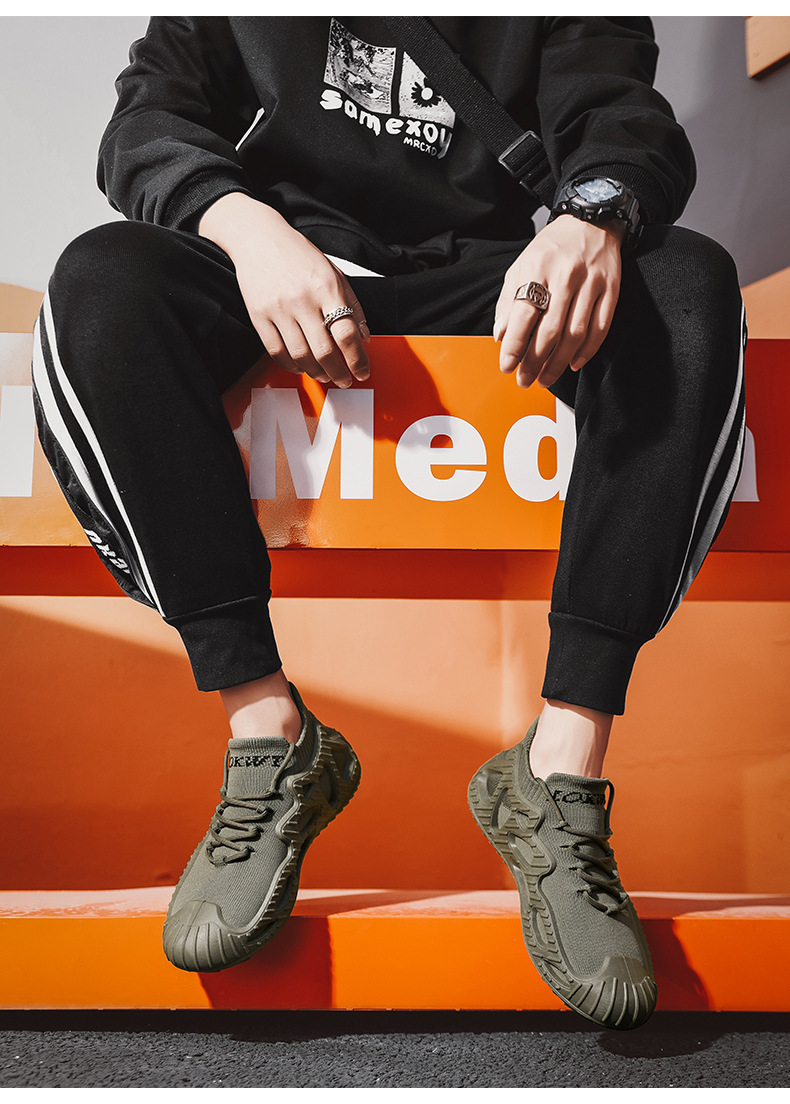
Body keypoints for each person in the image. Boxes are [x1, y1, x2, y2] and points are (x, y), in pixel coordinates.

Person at [31, 16, 745, 1030]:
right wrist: (244, 226)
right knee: (103, 278)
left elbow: (620, 113)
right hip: (289, 274)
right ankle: (269, 734)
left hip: (501, 282)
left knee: (687, 283)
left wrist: (592, 216)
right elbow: (148, 121)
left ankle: (559, 771)